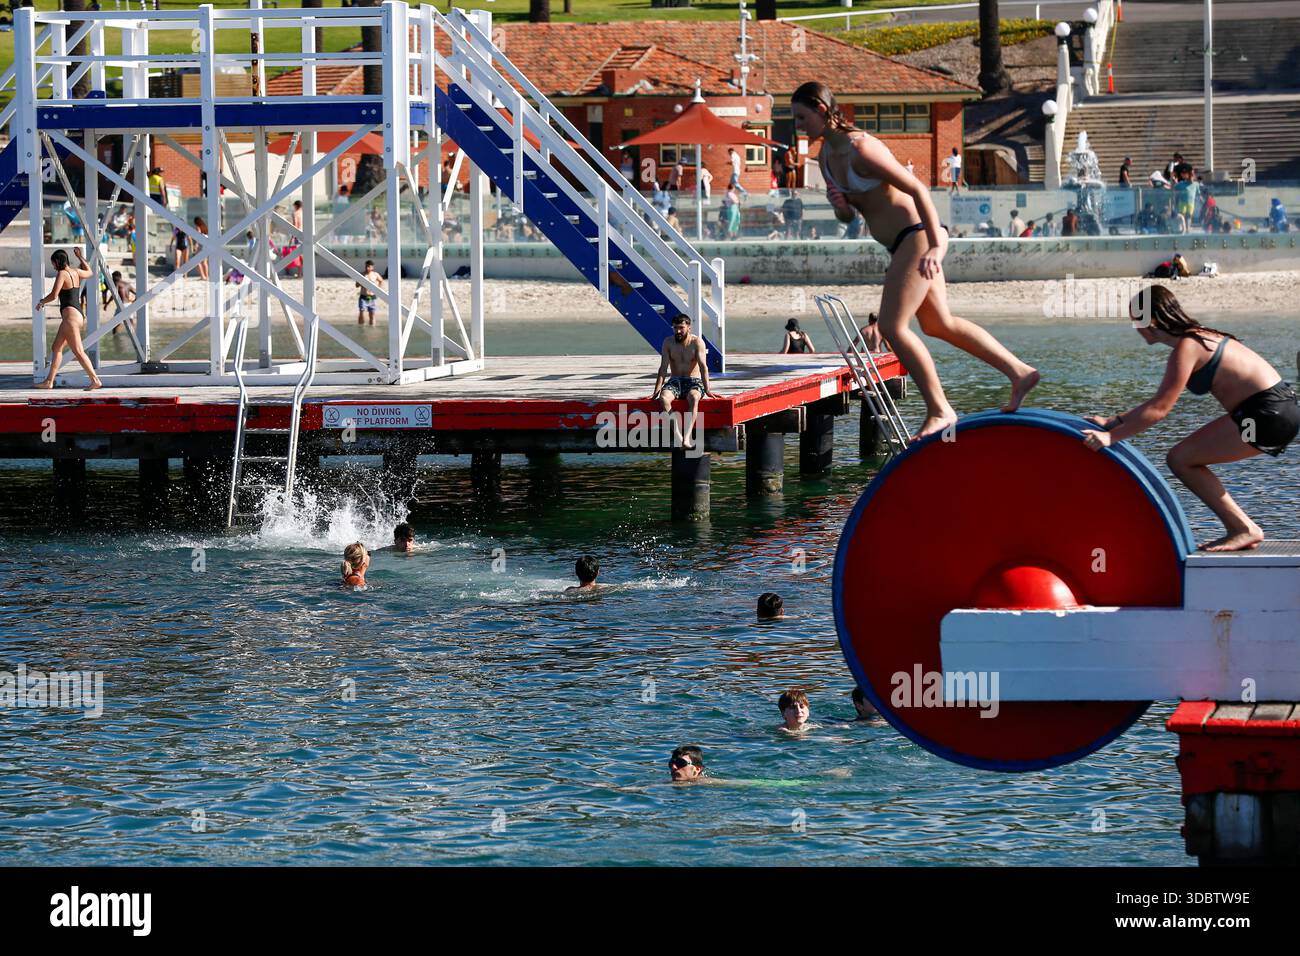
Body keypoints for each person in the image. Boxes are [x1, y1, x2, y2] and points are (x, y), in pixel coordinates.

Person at [791, 81, 1038, 440]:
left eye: (801, 116)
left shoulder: (863, 149)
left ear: (822, 110)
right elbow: (850, 217)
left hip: (918, 236)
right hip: (900, 244)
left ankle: (940, 410)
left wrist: (937, 246)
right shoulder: (826, 158)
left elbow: (917, 189)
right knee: (940, 324)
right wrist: (840, 207)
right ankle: (1019, 372)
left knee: (892, 326)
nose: (797, 124)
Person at [1081, 286, 1299, 552]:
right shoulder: (1197, 338)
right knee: (1184, 456)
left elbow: (1160, 410)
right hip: (1275, 409)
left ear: (1150, 322)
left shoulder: (1188, 347)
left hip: (1267, 414)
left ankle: (1244, 528)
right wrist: (1113, 421)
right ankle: (1242, 527)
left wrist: (1110, 437)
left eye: (1134, 320)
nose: (1133, 327)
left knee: (1181, 459)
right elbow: (1155, 403)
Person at [36, 248, 102, 390]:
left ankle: (95, 380)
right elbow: (89, 272)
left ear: (57, 261)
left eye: (53, 263)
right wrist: (80, 257)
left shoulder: (62, 274)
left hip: (70, 318)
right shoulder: (76, 272)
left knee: (78, 350)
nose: (53, 266)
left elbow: (54, 295)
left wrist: (42, 302)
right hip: (77, 314)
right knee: (56, 347)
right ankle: (49, 381)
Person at [651, 313, 717, 448]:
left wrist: (708, 389)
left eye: (681, 328)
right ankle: (678, 435)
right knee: (663, 399)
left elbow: (703, 367)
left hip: (693, 381)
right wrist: (656, 391)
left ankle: (686, 438)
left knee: (693, 397)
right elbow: (663, 368)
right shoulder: (668, 342)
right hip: (675, 381)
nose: (678, 331)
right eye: (675, 328)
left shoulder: (697, 342)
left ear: (689, 328)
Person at [357, 259, 384, 325]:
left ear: (372, 267)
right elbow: (356, 285)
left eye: (369, 266)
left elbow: (381, 281)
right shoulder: (362, 274)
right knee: (361, 312)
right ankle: (361, 327)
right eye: (366, 266)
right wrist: (361, 282)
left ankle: (372, 327)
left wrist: (378, 289)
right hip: (363, 296)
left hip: (372, 297)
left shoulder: (375, 274)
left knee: (372, 313)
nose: (367, 268)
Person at [194, 216, 209, 281]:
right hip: (206, 245)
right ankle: (206, 276)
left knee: (197, 262)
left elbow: (198, 236)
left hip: (201, 245)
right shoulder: (205, 227)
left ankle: (202, 276)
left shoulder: (198, 227)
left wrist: (196, 245)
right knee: (204, 262)